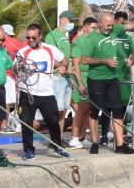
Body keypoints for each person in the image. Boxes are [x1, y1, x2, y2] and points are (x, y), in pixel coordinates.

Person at [81, 12, 134, 154]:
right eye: (108, 25)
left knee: (117, 110)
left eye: (112, 25)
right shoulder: (92, 39)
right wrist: (104, 61)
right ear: (100, 24)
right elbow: (84, 60)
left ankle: (120, 144)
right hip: (96, 79)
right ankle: (95, 141)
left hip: (113, 78)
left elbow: (132, 24)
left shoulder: (115, 30)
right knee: (95, 111)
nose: (111, 28)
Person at [14, 24, 69, 160]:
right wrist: (18, 66)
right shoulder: (23, 52)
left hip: (46, 94)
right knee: (26, 122)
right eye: (28, 37)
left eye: (34, 37)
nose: (31, 40)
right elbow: (13, 70)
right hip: (28, 93)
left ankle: (57, 147)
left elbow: (64, 60)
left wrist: (63, 67)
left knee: (53, 121)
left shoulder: (50, 49)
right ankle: (28, 150)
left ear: (40, 36)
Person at [67, 16, 97, 149]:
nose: (96, 30)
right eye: (93, 28)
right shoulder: (78, 42)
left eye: (97, 28)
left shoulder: (94, 41)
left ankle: (82, 136)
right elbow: (76, 65)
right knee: (81, 108)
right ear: (85, 27)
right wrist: (80, 83)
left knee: (89, 109)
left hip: (92, 77)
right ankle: (74, 137)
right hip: (82, 77)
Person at [44, 10, 76, 137]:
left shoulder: (64, 37)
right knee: (57, 110)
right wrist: (63, 67)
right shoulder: (52, 36)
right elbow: (48, 57)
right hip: (57, 76)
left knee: (63, 110)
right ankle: (55, 138)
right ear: (62, 20)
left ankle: (60, 137)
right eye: (70, 20)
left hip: (66, 78)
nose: (72, 23)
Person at [113, 11, 134, 143]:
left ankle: (123, 134)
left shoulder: (128, 39)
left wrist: (131, 61)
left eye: (125, 23)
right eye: (121, 23)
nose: (123, 26)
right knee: (112, 107)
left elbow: (133, 55)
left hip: (125, 78)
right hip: (112, 78)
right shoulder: (111, 36)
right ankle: (108, 135)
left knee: (124, 106)